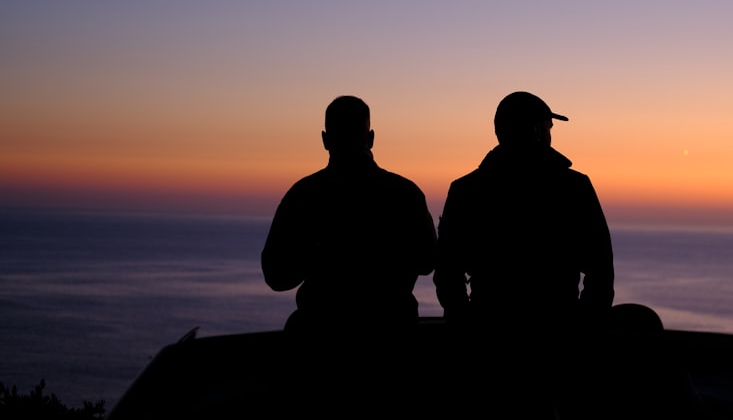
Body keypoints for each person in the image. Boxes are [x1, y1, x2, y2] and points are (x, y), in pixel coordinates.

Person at [434, 91, 614, 328]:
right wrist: (585, 323)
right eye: (549, 128)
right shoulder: (573, 187)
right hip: (559, 327)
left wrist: (465, 321)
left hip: (486, 326)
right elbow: (600, 266)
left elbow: (448, 270)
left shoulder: (465, 189)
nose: (550, 135)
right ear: (537, 131)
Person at [261, 95, 436, 330]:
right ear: (371, 138)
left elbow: (277, 276)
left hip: (320, 328)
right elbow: (427, 262)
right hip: (393, 328)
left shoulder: (303, 195)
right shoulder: (405, 193)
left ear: (324, 140)